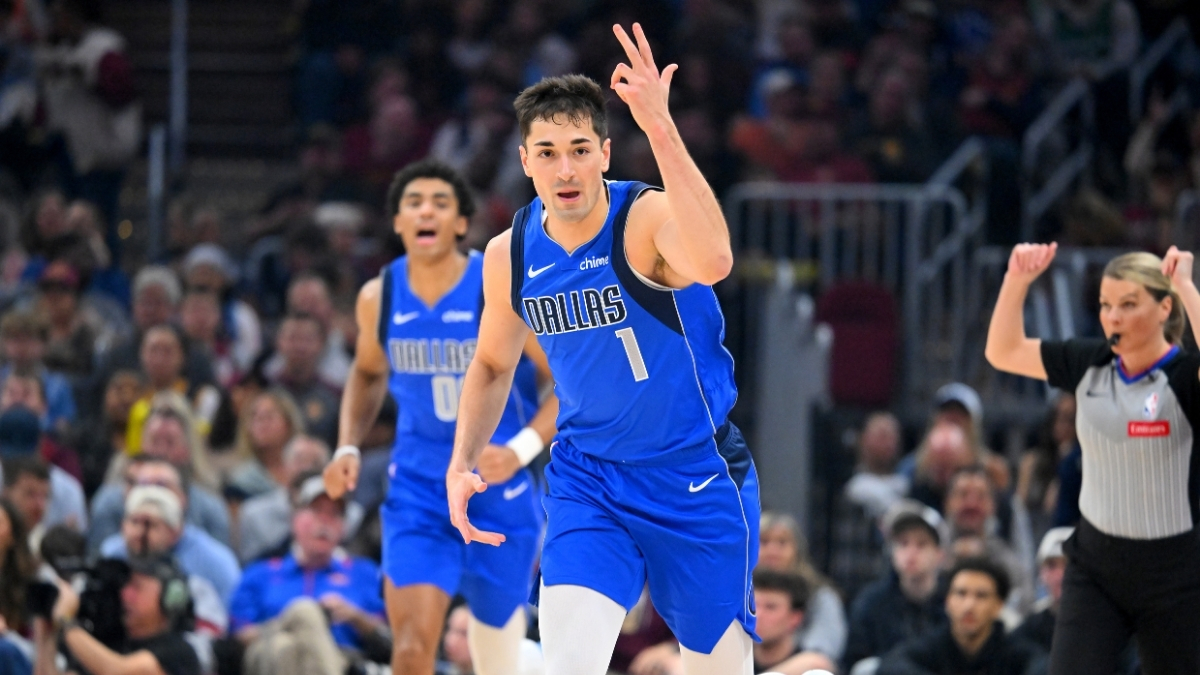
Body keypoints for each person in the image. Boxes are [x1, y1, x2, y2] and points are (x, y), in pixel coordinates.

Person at [444, 24, 759, 674]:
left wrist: (661, 127)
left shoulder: (643, 220)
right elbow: (494, 363)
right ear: (525, 160)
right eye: (548, 152)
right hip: (589, 478)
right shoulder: (510, 253)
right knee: (567, 663)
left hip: (693, 473)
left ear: (605, 153)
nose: (565, 169)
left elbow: (715, 261)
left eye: (580, 149)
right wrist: (462, 460)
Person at [323, 158, 557, 675]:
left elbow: (568, 383)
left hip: (496, 489)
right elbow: (366, 373)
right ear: (397, 222)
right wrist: (348, 445)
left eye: (440, 203)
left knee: (496, 658)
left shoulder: (496, 286)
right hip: (419, 490)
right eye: (414, 203)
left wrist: (519, 451)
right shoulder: (378, 297)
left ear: (460, 222)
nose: (426, 211)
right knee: (410, 650)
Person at [985, 243, 1200, 674]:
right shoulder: (1089, 363)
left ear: (1165, 308)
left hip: (1176, 574)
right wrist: (1016, 280)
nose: (1113, 317)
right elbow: (1003, 351)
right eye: (1105, 305)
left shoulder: (1183, 376)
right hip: (1096, 569)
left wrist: (1186, 287)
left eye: (1128, 304)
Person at [231, 473, 389, 672]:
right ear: (294, 518)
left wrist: (355, 617)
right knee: (285, 641)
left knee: (287, 643)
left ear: (343, 527)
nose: (324, 522)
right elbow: (237, 639)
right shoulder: (260, 574)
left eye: (335, 514)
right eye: (316, 511)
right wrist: (296, 620)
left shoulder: (364, 573)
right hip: (268, 659)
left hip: (345, 660)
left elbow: (389, 640)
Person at [98, 459, 241, 605]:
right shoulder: (112, 553)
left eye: (162, 486)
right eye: (142, 485)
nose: (151, 494)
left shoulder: (215, 561)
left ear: (183, 498)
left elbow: (233, 614)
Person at [34, 553, 201, 675]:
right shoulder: (112, 643)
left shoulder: (178, 652)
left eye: (137, 587)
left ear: (170, 598)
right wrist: (46, 634)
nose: (125, 594)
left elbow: (118, 671)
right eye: (126, 586)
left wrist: (66, 621)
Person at [877, 558, 1045, 675]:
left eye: (981, 596)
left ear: (998, 606)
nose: (969, 605)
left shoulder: (1013, 651)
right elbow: (890, 665)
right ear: (948, 601)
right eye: (961, 593)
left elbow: (1043, 666)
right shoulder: (934, 645)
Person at [843, 500, 948, 673]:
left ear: (939, 554)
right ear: (891, 552)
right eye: (903, 543)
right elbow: (854, 662)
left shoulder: (954, 601)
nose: (911, 553)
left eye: (922, 544)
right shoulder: (870, 602)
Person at [757, 512, 848, 662]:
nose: (772, 551)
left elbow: (822, 653)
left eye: (782, 543)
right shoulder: (732, 593)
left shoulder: (819, 596)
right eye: (764, 542)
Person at [752, 569, 837, 674]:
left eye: (770, 607)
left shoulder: (811, 666)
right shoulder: (738, 660)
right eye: (753, 606)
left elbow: (819, 663)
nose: (758, 615)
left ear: (795, 618)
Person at [1010, 528, 1073, 652]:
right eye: (1052, 566)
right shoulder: (1028, 630)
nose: (1060, 575)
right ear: (1041, 573)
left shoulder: (1103, 624)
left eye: (1069, 565)